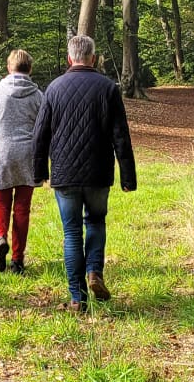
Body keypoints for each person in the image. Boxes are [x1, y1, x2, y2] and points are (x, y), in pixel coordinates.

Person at [32, 34, 137, 313]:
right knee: (97, 222)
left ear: (70, 58)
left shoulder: (54, 88)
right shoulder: (108, 88)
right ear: (93, 57)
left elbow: (40, 135)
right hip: (98, 172)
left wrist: (38, 172)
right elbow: (120, 136)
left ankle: (77, 298)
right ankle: (94, 272)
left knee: (71, 232)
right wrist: (128, 177)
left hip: (65, 173)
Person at [0, 48, 42, 273]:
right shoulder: (38, 95)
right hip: (28, 156)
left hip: (1, 155)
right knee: (22, 209)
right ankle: (17, 260)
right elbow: (44, 130)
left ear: (8, 67)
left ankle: (0, 237)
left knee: (0, 203)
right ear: (29, 68)